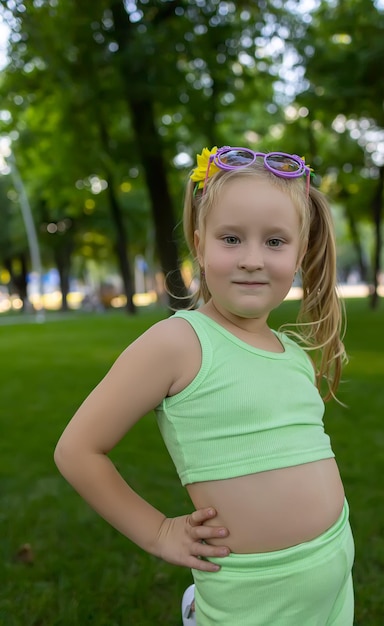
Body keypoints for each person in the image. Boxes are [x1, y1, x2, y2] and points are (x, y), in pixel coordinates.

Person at [54, 146, 354, 625]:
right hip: (252, 597)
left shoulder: (294, 354)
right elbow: (77, 450)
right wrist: (158, 532)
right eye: (231, 239)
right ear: (199, 244)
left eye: (275, 242)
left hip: (333, 577)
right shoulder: (181, 342)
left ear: (300, 252)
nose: (253, 259)